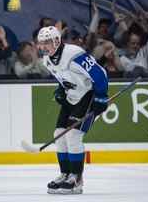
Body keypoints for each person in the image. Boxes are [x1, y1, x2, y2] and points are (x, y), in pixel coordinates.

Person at [37, 26, 108, 194]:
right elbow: (64, 78)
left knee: (73, 135)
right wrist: (61, 90)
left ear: (56, 41)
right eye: (40, 43)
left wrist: (101, 97)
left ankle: (76, 179)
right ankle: (65, 174)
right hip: (72, 96)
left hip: (88, 94)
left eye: (46, 42)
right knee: (59, 134)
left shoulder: (73, 53)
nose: (43, 46)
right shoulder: (47, 60)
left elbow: (100, 74)